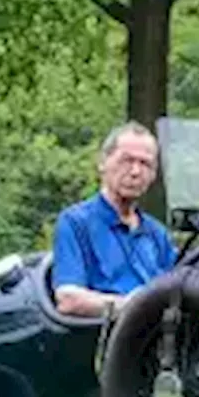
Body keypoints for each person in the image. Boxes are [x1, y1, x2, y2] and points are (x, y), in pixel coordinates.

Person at [51, 120, 178, 318]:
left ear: (153, 175)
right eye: (127, 160)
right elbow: (68, 298)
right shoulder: (75, 223)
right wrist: (130, 306)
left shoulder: (157, 234)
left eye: (145, 164)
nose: (136, 172)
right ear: (103, 163)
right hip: (104, 339)